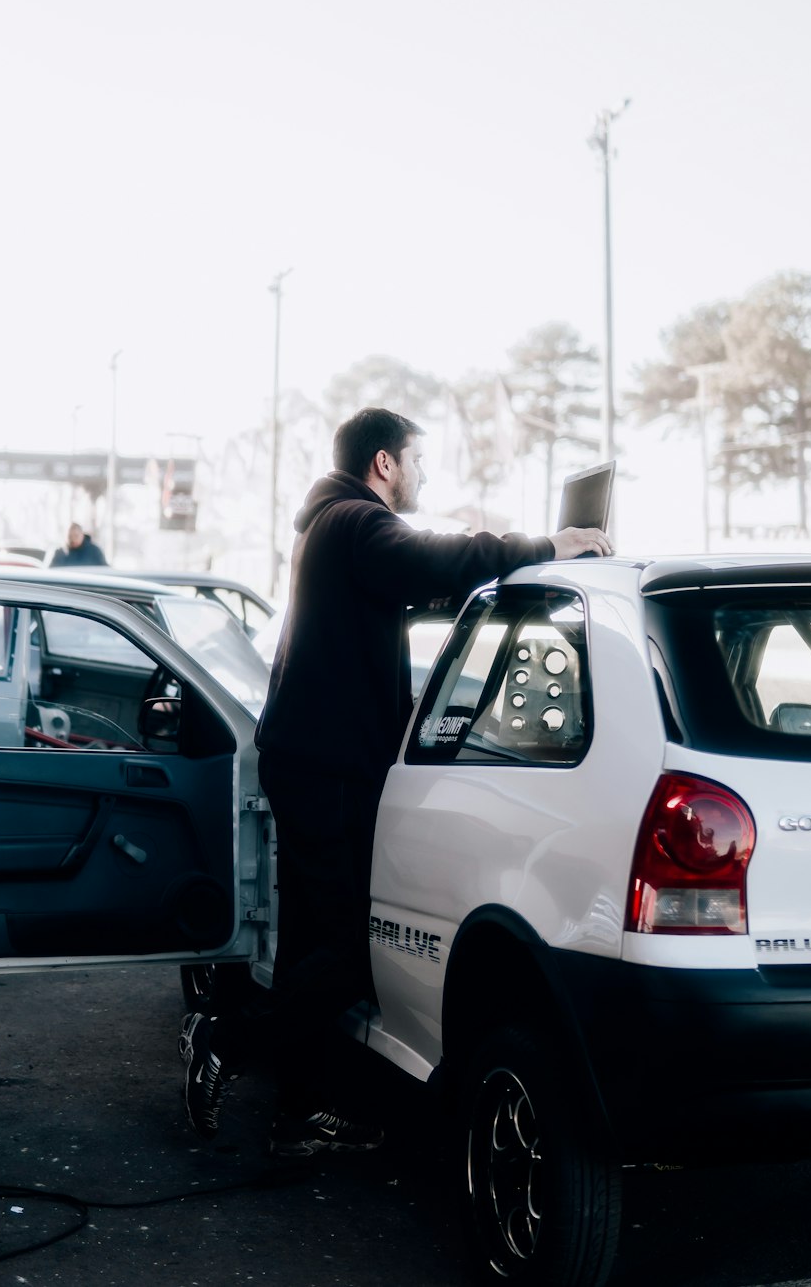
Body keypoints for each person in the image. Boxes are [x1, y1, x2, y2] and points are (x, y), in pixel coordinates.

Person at [180, 406, 611, 1158]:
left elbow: (424, 590)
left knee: (310, 941)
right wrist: (549, 545)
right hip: (328, 767)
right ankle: (228, 1038)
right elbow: (434, 562)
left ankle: (301, 1109)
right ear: (385, 463)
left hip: (312, 759)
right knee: (348, 950)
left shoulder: (331, 527)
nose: (423, 477)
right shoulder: (353, 521)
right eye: (418, 461)